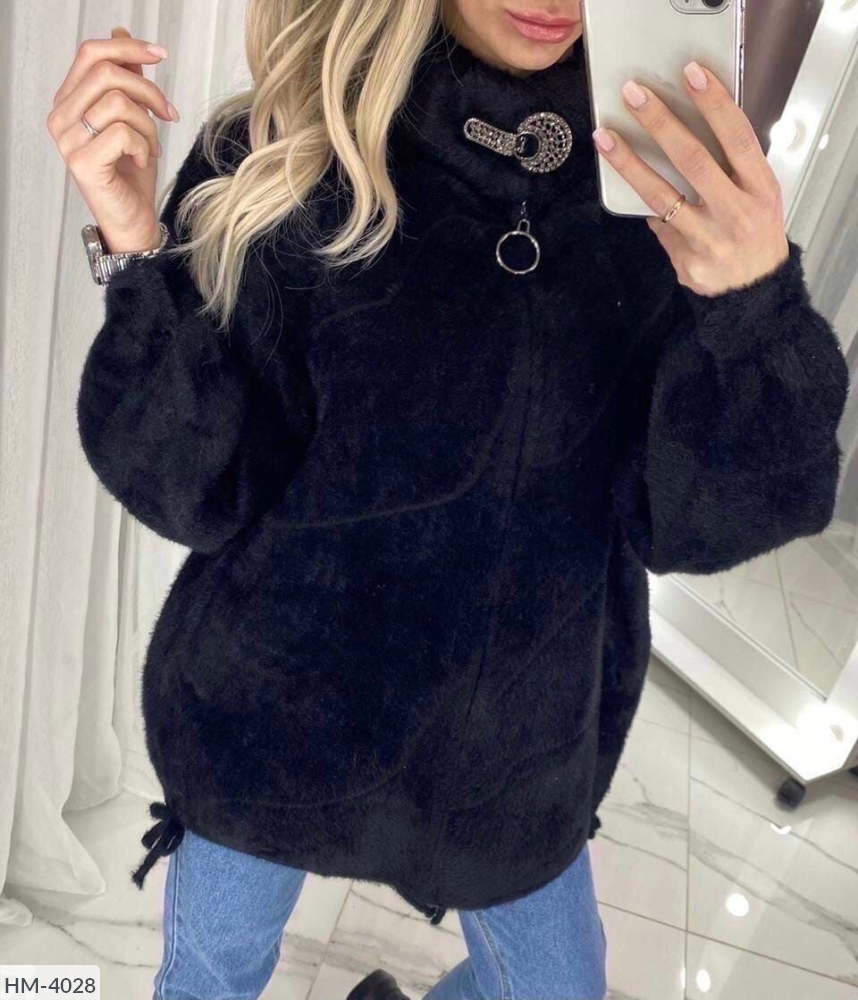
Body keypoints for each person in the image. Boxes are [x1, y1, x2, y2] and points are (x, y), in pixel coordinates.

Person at [48, 1, 848, 998]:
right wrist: (134, 248)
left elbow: (687, 525)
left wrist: (756, 306)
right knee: (210, 977)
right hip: (268, 723)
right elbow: (196, 487)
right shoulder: (286, 152)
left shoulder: (665, 203)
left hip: (513, 752)